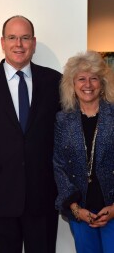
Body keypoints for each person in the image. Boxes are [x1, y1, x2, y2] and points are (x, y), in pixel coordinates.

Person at [0, 15, 61, 253]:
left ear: (33, 43)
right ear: (2, 42)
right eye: (13, 38)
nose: (19, 44)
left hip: (44, 196)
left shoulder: (55, 82)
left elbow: (64, 138)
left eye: (25, 38)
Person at [53, 51, 114, 253]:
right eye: (81, 79)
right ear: (72, 84)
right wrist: (76, 209)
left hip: (112, 208)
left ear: (102, 82)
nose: (87, 84)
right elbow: (59, 165)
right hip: (80, 210)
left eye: (93, 78)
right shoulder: (63, 119)